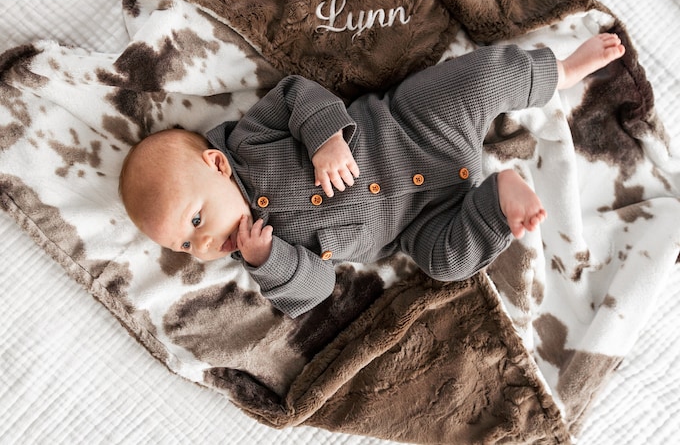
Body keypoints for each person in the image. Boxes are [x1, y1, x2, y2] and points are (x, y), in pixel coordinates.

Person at [119, 33, 625, 318]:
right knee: (447, 262)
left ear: (216, 165)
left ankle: (556, 72)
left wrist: (326, 140)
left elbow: (296, 94)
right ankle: (498, 198)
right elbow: (316, 288)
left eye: (195, 220)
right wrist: (268, 261)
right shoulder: (265, 258)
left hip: (412, 127)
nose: (204, 244)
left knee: (480, 79)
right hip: (419, 219)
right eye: (185, 246)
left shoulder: (251, 141)